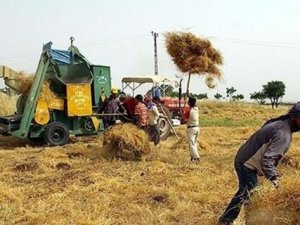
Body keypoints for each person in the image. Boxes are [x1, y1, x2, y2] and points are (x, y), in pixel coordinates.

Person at [218, 103, 300, 225]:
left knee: (247, 193)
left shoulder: (281, 124)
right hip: (247, 163)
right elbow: (267, 160)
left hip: (245, 158)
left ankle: (233, 219)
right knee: (248, 193)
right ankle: (227, 220)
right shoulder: (284, 133)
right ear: (295, 117)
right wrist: (277, 181)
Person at [183, 97, 200, 162]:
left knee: (191, 144)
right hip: (197, 128)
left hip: (191, 129)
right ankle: (192, 157)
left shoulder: (189, 111)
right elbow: (194, 105)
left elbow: (184, 120)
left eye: (188, 101)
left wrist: (183, 114)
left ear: (189, 103)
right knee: (195, 143)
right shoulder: (196, 109)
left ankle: (196, 158)